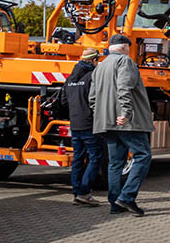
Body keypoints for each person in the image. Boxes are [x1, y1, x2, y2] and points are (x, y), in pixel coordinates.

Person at [89, 33, 153, 216]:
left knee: (115, 163)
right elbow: (124, 86)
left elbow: (92, 97)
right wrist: (125, 112)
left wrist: (101, 114)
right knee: (143, 155)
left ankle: (115, 203)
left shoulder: (99, 67)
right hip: (126, 122)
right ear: (125, 47)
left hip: (107, 122)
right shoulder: (125, 62)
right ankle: (127, 197)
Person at [62, 47, 104, 206]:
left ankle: (76, 192)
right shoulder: (92, 76)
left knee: (78, 158)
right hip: (89, 123)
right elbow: (96, 99)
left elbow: (63, 101)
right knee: (95, 158)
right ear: (94, 60)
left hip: (75, 123)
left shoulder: (70, 78)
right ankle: (84, 192)